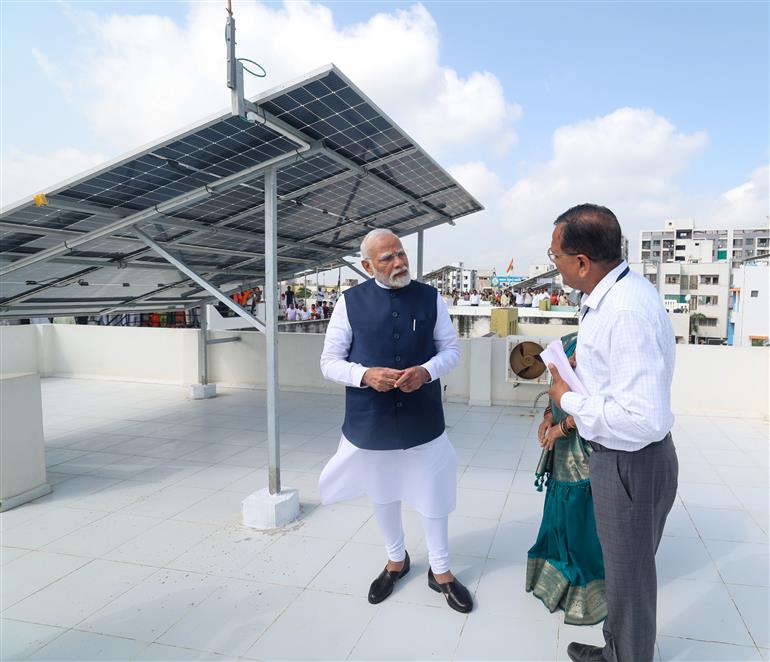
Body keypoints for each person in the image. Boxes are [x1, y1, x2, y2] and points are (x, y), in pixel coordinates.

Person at [546, 204, 678, 662]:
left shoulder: (624, 311)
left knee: (630, 578)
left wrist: (568, 399)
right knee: (625, 573)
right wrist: (588, 370)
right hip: (627, 460)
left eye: (555, 256)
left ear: (582, 262)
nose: (554, 264)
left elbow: (642, 417)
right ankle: (616, 650)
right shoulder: (617, 291)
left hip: (630, 462)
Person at [319, 228, 473, 614]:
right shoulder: (349, 302)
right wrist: (364, 375)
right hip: (371, 418)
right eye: (387, 258)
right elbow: (329, 362)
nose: (399, 262)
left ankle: (441, 571)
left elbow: (451, 351)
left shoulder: (430, 297)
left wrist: (426, 371)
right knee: (382, 490)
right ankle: (396, 560)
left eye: (400, 254)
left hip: (423, 416)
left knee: (434, 491)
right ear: (368, 265)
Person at [526, 331, 607, 626]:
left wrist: (565, 427)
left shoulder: (604, 347)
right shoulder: (571, 339)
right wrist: (549, 416)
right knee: (560, 506)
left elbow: (601, 403)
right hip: (562, 446)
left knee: (581, 511)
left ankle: (586, 585)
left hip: (587, 447)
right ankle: (555, 573)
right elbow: (557, 387)